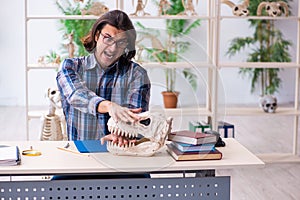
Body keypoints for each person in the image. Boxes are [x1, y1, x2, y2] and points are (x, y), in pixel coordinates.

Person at [56, 10, 151, 144]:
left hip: (122, 154)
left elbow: (137, 119)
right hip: (80, 155)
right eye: (108, 38)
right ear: (96, 36)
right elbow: (76, 95)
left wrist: (123, 134)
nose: (112, 48)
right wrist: (109, 106)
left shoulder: (137, 74)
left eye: (121, 42)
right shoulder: (70, 67)